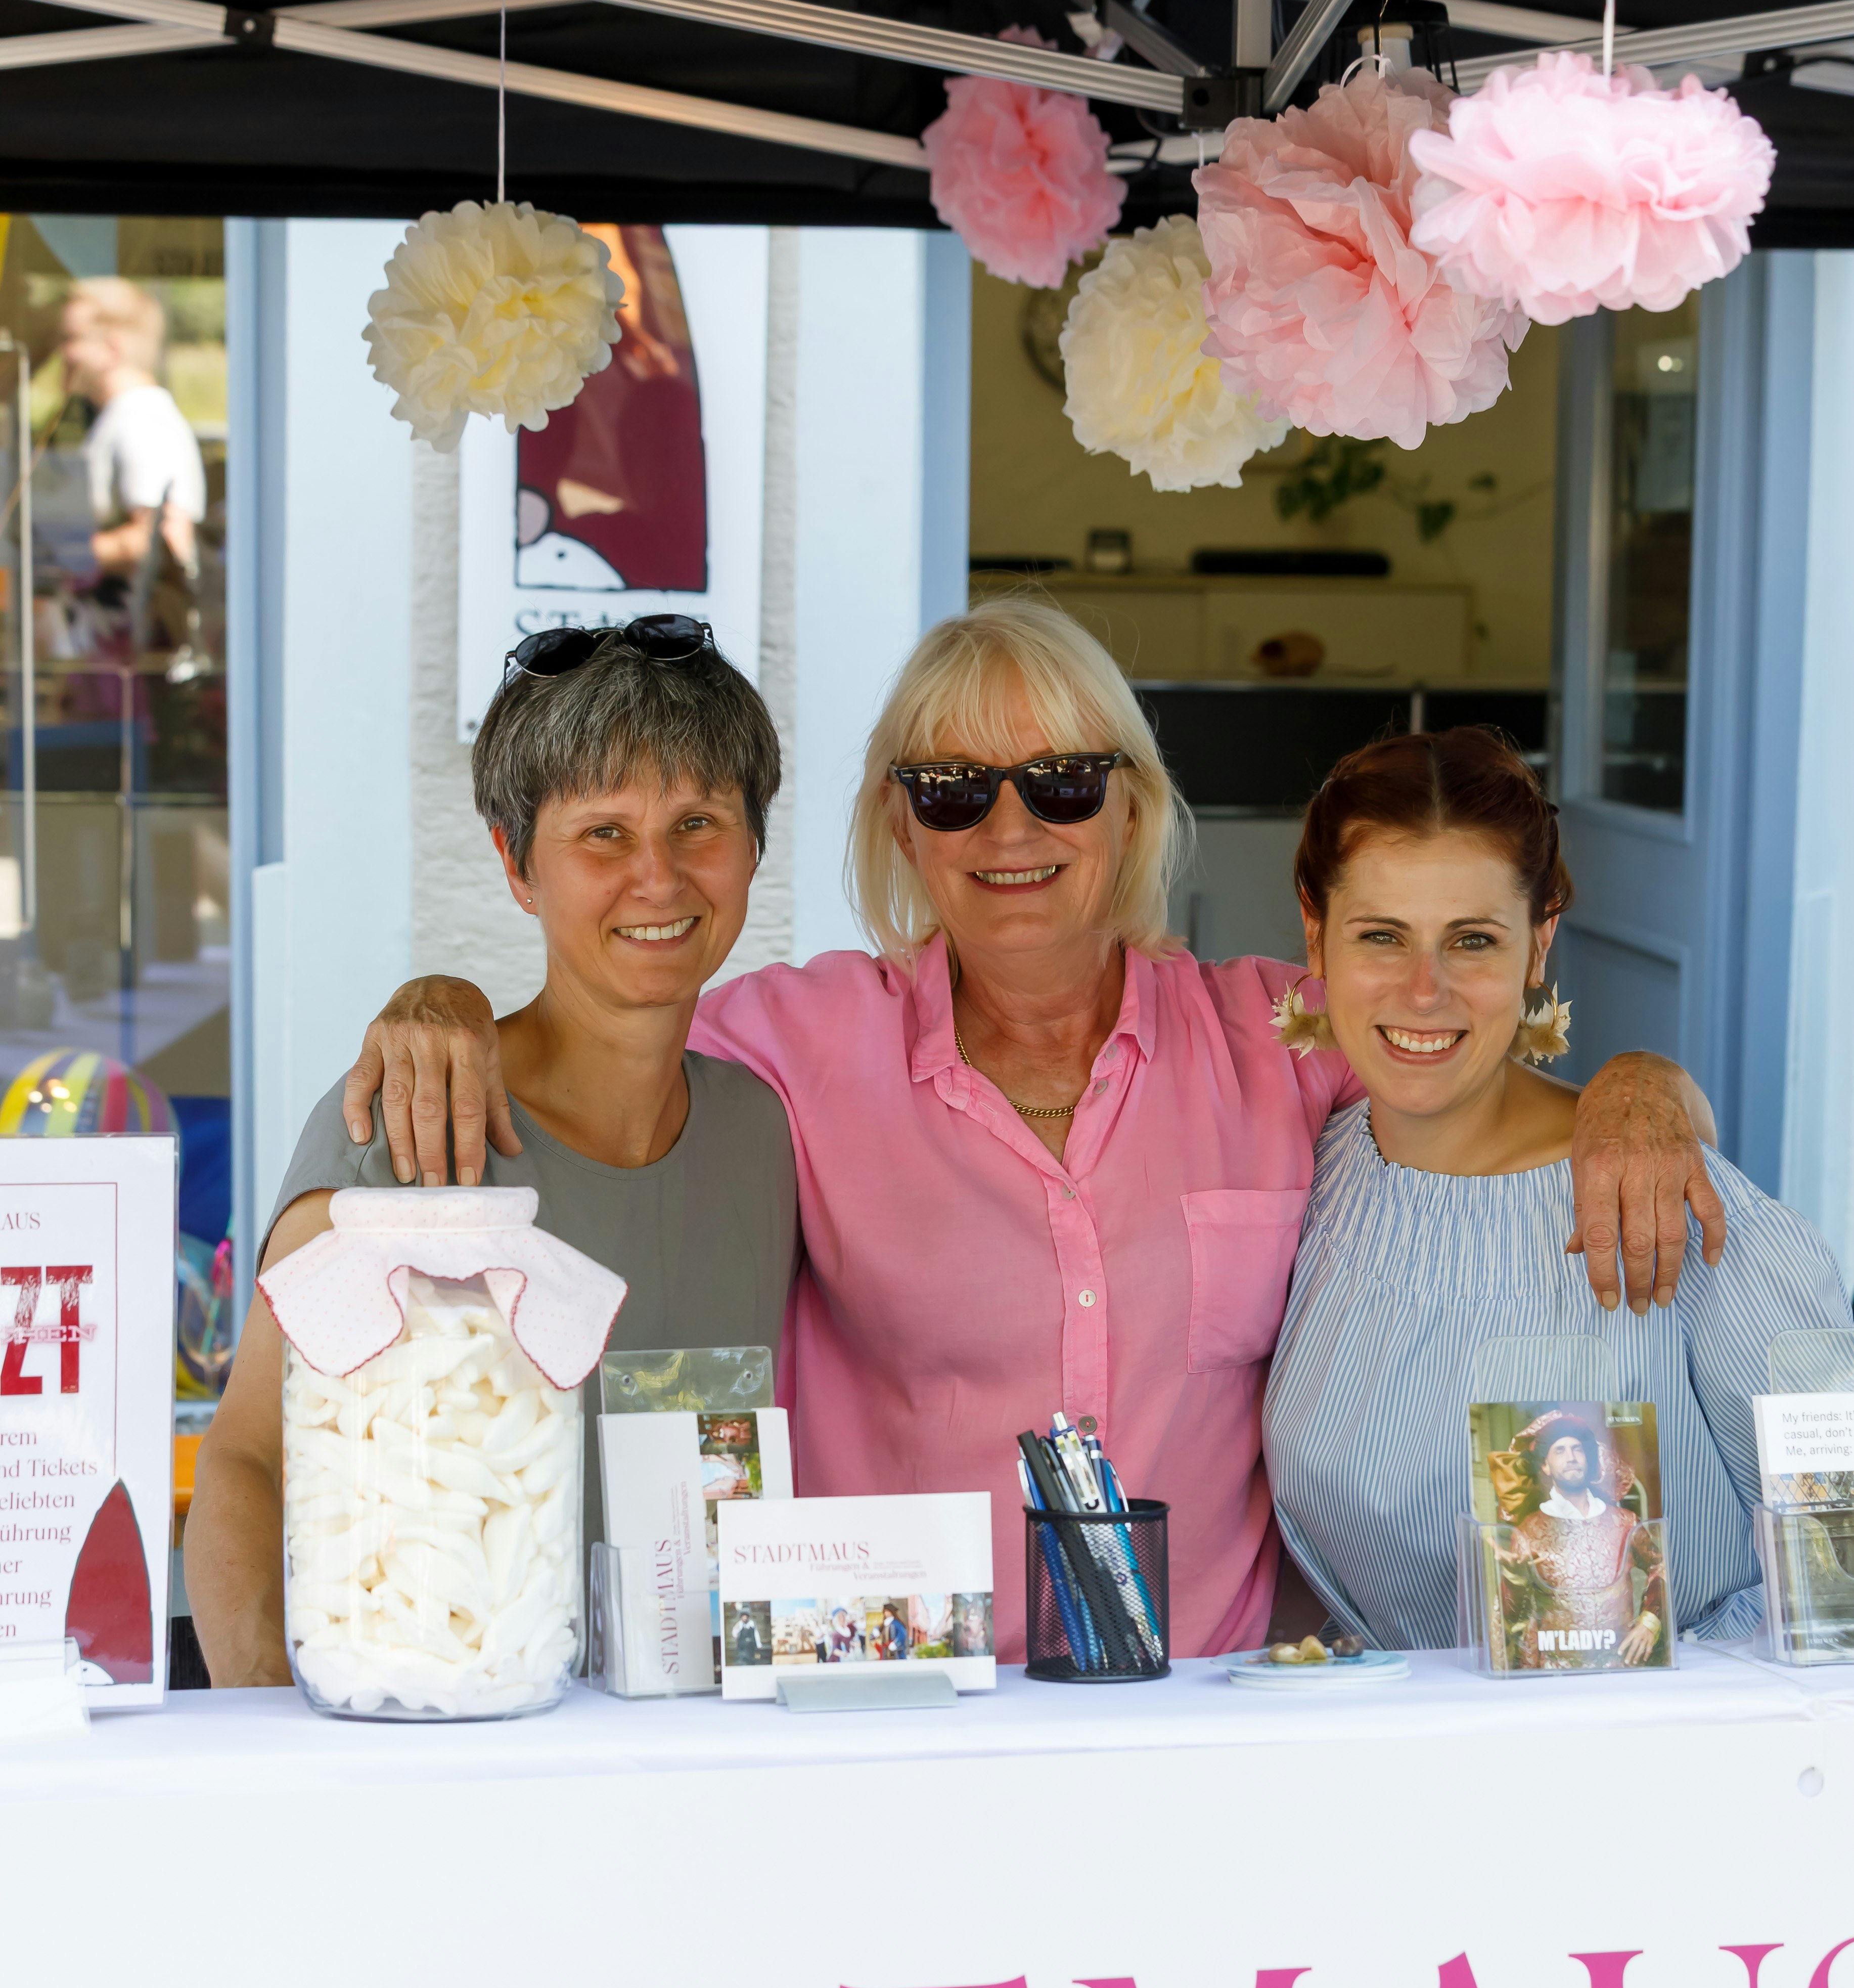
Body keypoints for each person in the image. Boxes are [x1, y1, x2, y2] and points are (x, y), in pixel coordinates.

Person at [340, 600, 1723, 1663]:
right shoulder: (795, 1042)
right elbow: (595, 1013)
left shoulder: (1282, 1039)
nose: (1011, 825)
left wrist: (1638, 1083)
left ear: (1126, 806)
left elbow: (1460, 1039)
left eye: (1059, 780)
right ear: (906, 823)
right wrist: (443, 997)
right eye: (955, 789)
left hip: (1204, 1713)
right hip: (894, 1702)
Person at [186, 617, 798, 1686]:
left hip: (700, 1750)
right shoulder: (411, 1115)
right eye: (603, 833)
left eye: (698, 822)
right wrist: (279, 1746)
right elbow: (246, 1458)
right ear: (518, 865)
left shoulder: (765, 1130)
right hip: (439, 1746)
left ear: (753, 848)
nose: (658, 877)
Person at [1262, 728, 1851, 1650]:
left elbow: (1839, 1568)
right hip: (1384, 1759)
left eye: (1472, 940)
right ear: (1315, 933)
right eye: (1381, 936)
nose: (1425, 991)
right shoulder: (1309, 1178)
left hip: (1654, 1769)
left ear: (1539, 943)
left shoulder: (1664, 1198)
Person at [59, 277, 207, 580]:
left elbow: (163, 539)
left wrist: (53, 558)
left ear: (112, 348)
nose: (62, 353)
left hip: (135, 622)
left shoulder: (142, 421)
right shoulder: (127, 416)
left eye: (71, 339)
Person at [1499, 1410, 1668, 1667]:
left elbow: (1660, 1566)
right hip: (1557, 1669)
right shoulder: (1528, 1530)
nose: (1571, 1458)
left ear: (1588, 1460)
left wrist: (1649, 1622)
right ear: (1545, 1465)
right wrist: (1513, 1577)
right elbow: (1514, 1614)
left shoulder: (1625, 1521)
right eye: (1560, 1451)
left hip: (1622, 1665)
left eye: (1577, 1449)